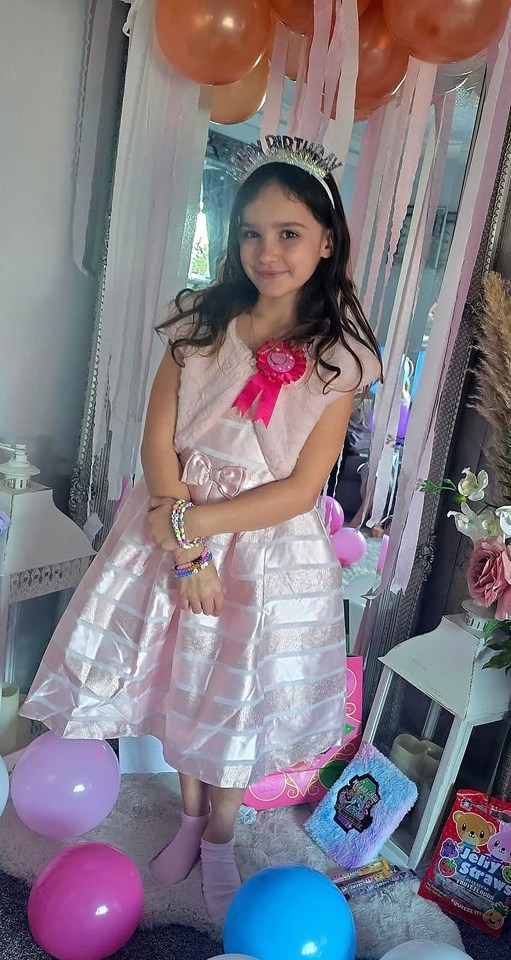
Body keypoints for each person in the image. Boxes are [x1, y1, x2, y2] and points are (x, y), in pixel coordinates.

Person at [20, 140, 382, 923]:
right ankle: (189, 818)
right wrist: (184, 548)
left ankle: (220, 833)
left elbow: (299, 489)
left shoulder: (338, 359)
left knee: (231, 692)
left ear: (326, 240)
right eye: (250, 232)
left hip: (258, 541)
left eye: (288, 232)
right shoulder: (198, 319)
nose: (266, 250)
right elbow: (158, 443)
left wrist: (192, 523)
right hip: (171, 527)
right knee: (177, 680)